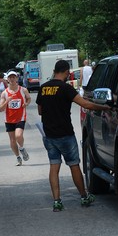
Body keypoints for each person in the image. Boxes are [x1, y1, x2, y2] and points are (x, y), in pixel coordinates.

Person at [36, 59, 110, 211]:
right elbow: (85, 104)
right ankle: (84, 197)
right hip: (65, 134)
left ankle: (57, 201)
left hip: (49, 135)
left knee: (54, 166)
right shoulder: (65, 88)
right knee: (74, 165)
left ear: (54, 71)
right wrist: (104, 108)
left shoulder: (43, 88)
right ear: (66, 72)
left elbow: (40, 111)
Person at [0, 70, 31, 166]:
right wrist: (7, 101)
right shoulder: (4, 93)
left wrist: (26, 103)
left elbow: (29, 98)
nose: (12, 79)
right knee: (12, 140)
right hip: (9, 119)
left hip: (20, 117)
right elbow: (0, 109)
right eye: (10, 77)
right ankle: (18, 157)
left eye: (14, 77)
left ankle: (21, 148)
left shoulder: (23, 90)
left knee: (18, 135)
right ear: (7, 79)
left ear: (17, 78)